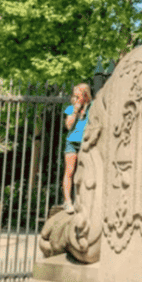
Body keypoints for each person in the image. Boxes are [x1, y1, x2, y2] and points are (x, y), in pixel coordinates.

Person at [62, 83, 91, 212]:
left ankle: (82, 201)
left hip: (86, 143)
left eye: (78, 96)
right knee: (69, 171)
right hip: (72, 142)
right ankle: (67, 201)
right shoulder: (71, 108)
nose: (76, 99)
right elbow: (68, 126)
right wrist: (75, 110)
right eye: (75, 96)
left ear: (85, 96)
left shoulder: (92, 107)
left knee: (85, 173)